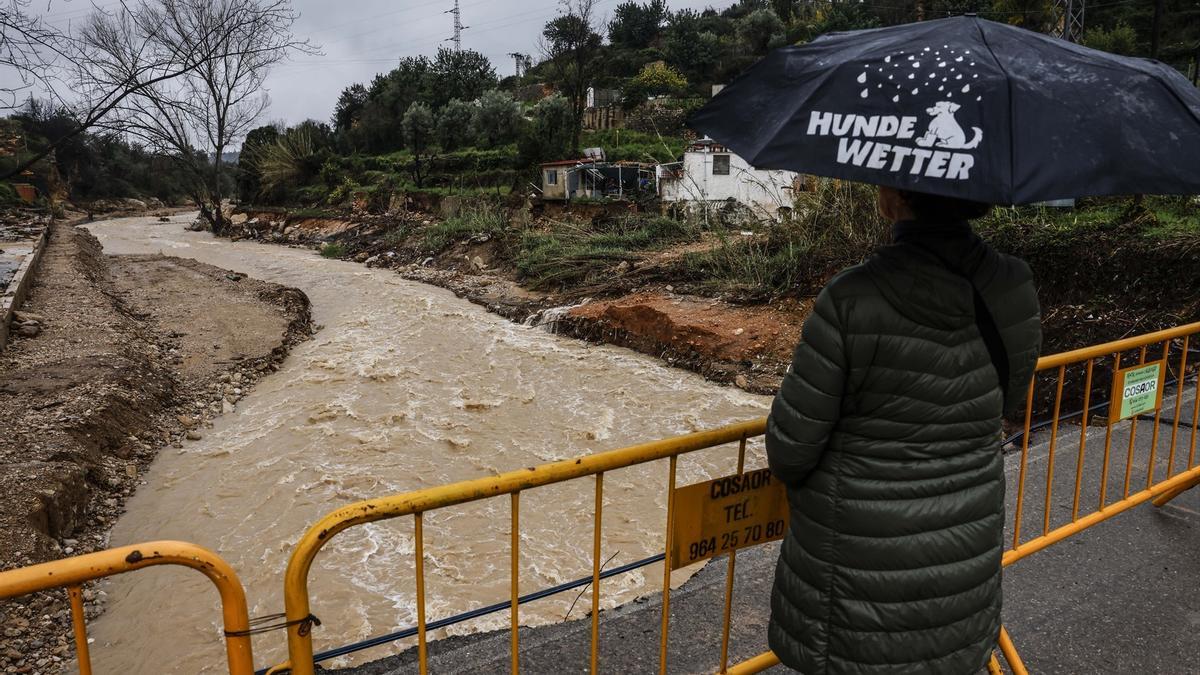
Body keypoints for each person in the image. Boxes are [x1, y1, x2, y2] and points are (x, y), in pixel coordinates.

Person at [765, 186, 1042, 674]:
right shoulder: (1013, 284)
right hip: (964, 546)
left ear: (897, 198)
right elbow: (1007, 398)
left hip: (857, 571)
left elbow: (791, 450)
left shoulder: (851, 298)